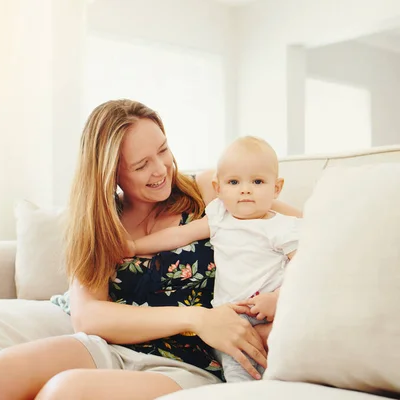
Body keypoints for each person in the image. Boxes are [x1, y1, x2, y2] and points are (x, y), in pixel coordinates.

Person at [0, 100, 302, 400]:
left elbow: (306, 230)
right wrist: (197, 318)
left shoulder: (209, 191)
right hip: (112, 349)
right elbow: (89, 316)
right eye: (141, 165)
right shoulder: (101, 223)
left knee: (65, 393)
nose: (161, 169)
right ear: (111, 173)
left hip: (187, 362)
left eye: (163, 150)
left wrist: (278, 302)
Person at [125, 136, 301, 382]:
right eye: (234, 182)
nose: (245, 189)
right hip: (228, 316)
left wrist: (277, 299)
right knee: (239, 373)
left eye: (258, 181)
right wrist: (134, 247)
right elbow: (179, 235)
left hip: (272, 309)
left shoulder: (283, 227)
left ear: (277, 188)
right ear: (218, 189)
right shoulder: (219, 217)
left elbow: (303, 269)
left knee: (280, 365)